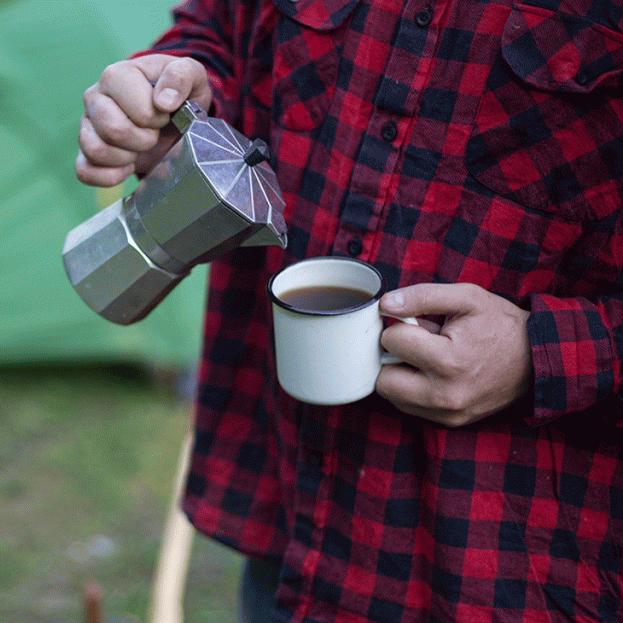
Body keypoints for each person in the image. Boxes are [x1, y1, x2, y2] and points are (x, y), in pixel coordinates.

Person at [75, 0, 623, 621]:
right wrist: (171, 92)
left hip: (513, 572)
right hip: (290, 539)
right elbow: (223, 27)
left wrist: (541, 354)